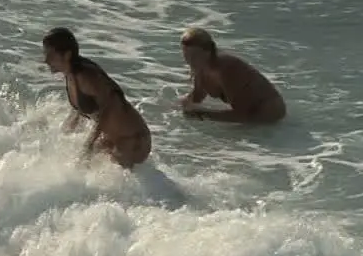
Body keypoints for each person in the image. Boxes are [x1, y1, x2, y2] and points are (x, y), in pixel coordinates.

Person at [42, 27, 152, 169]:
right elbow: (83, 107)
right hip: (113, 140)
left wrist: (89, 144)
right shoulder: (71, 75)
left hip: (133, 140)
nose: (45, 60)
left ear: (67, 55)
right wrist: (63, 133)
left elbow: (111, 106)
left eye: (50, 55)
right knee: (76, 171)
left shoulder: (86, 75)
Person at [177, 27, 287, 124]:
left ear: (208, 51)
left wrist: (200, 115)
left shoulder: (226, 69)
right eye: (186, 55)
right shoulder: (200, 67)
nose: (190, 61)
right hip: (249, 115)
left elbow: (241, 114)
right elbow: (197, 97)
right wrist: (175, 110)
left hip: (268, 115)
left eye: (195, 56)